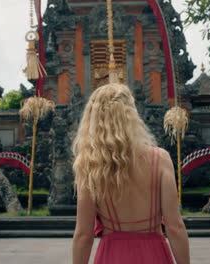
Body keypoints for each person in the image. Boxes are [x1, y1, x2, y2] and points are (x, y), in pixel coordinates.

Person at [72, 83, 190, 264]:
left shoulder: (89, 165)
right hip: (155, 255)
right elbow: (175, 227)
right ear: (132, 116)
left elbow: (83, 235)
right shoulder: (160, 159)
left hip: (112, 256)